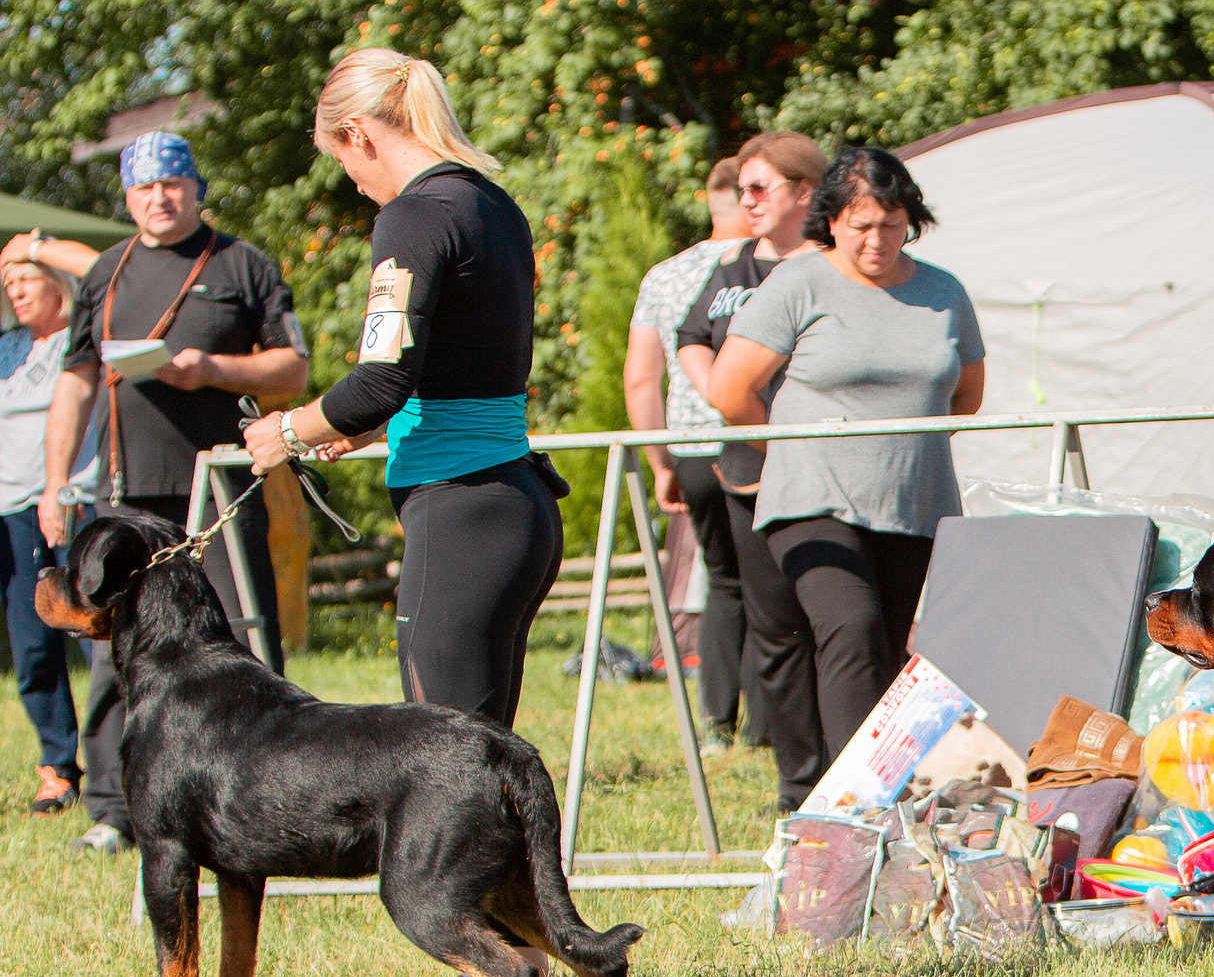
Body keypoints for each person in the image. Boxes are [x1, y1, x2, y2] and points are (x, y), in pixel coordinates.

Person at [243, 49, 563, 728]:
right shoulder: (494, 206)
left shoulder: (412, 216)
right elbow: (463, 366)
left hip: (460, 514)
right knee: (480, 760)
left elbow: (380, 380)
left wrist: (288, 432)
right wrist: (366, 424)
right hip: (517, 502)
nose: (354, 184)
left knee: (439, 768)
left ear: (358, 133)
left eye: (343, 162)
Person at [45, 132, 307, 855]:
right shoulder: (105, 272)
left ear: (195, 187)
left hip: (222, 487)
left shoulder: (243, 264)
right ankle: (113, 808)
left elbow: (292, 370)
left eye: (171, 185)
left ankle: (266, 788)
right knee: (109, 646)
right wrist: (54, 479)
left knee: (244, 640)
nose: (158, 199)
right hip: (128, 495)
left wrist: (213, 369)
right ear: (126, 197)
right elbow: (74, 382)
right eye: (142, 189)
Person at [709, 145, 985, 777]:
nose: (877, 240)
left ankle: (876, 799)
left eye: (892, 224)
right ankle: (853, 803)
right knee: (851, 631)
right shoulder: (800, 282)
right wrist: (790, 447)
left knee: (888, 652)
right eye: (862, 225)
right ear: (831, 220)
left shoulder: (943, 291)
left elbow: (966, 396)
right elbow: (730, 389)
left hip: (913, 502)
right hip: (811, 496)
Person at [676, 133, 828, 809]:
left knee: (834, 624)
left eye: (760, 188)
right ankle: (794, 779)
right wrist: (731, 400)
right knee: (772, 626)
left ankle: (845, 765)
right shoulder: (733, 267)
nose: (746, 201)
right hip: (746, 467)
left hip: (822, 470)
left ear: (805, 192)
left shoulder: (830, 265)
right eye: (741, 190)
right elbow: (688, 340)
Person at [625, 156, 765, 747]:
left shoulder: (664, 275)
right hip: (759, 440)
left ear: (709, 200)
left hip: (689, 444)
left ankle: (715, 724)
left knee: (722, 580)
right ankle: (769, 724)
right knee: (771, 583)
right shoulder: (773, 266)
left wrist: (661, 462)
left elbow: (640, 378)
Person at [0, 248, 94, 814]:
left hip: (71, 503)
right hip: (9, 512)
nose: (16, 290)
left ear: (56, 282)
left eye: (27, 278)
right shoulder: (5, 349)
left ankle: (121, 761)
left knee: (98, 636)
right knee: (32, 645)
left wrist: (34, 246)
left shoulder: (80, 340)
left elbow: (103, 275)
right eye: (8, 283)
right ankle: (58, 767)